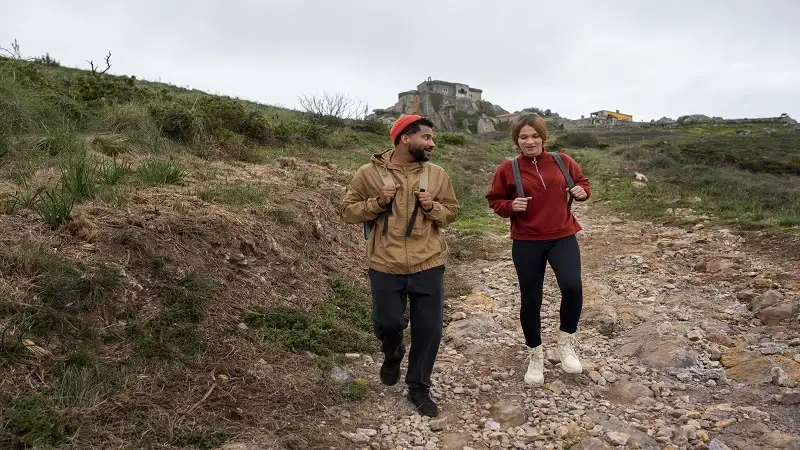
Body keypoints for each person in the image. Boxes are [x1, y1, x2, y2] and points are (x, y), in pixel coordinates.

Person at [339, 114, 459, 417]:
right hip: (384, 262)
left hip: (428, 260)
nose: (432, 143)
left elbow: (451, 213)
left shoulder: (437, 174)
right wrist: (378, 202)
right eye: (426, 137)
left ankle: (419, 386)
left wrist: (433, 207)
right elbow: (348, 212)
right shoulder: (368, 174)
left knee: (429, 329)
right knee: (388, 323)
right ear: (406, 138)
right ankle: (392, 353)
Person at [485, 113, 591, 386]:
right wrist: (510, 206)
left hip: (563, 235)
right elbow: (495, 200)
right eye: (523, 137)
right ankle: (535, 355)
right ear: (516, 140)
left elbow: (583, 182)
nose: (529, 141)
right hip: (526, 241)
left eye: (534, 136)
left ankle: (565, 344)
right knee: (531, 299)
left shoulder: (562, 160)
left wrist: (581, 191)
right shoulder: (508, 169)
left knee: (572, 287)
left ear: (543, 137)